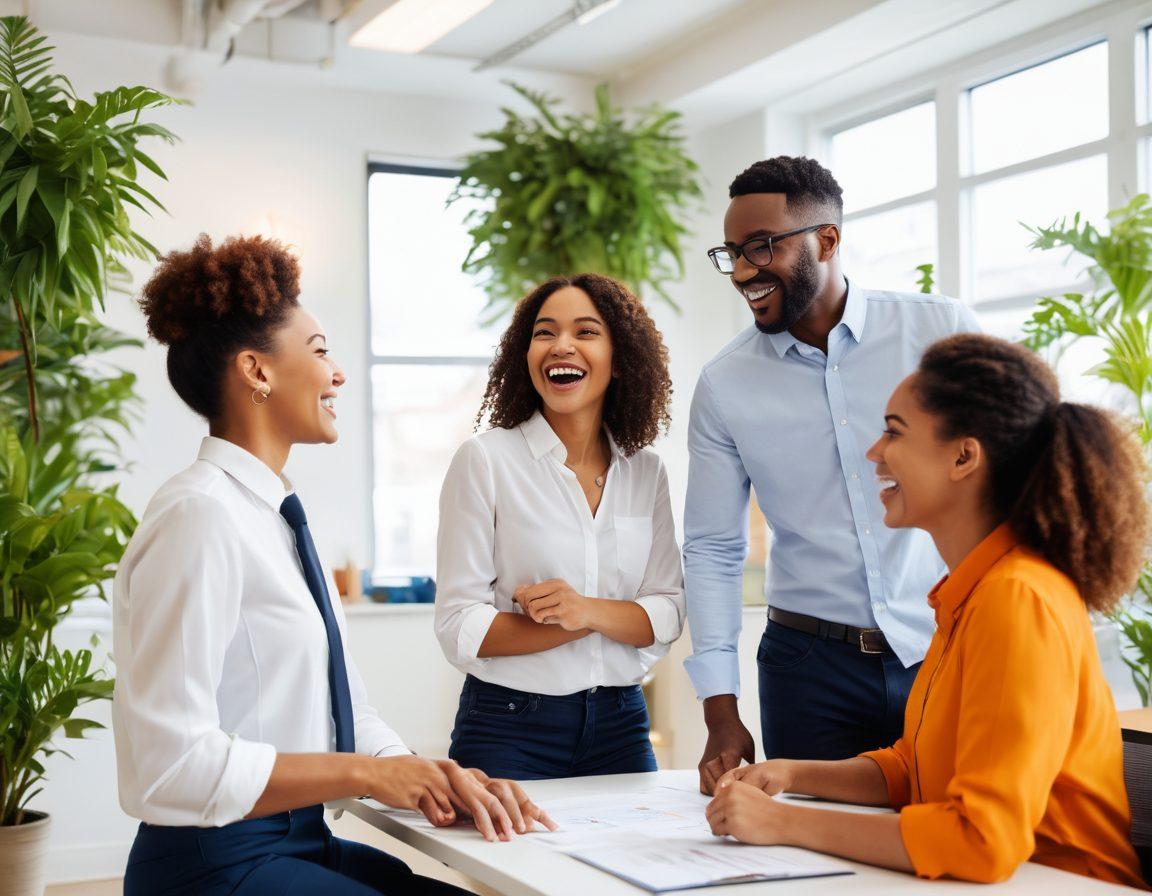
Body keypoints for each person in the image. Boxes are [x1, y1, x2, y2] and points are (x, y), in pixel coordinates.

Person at [113, 235, 554, 896]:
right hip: (212, 864)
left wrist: (426, 775)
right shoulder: (198, 515)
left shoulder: (275, 516)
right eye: (320, 351)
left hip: (299, 839)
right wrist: (367, 776)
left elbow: (344, 709)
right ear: (257, 372)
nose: (338, 374)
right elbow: (167, 767)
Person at [706, 333, 1148, 889]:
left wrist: (784, 823)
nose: (874, 452)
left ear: (963, 457)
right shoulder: (970, 592)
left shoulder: (1017, 598)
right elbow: (914, 768)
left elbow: (981, 840)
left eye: (894, 431)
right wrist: (789, 774)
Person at [685, 155, 980, 792]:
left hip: (940, 648)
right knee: (811, 841)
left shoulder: (940, 331)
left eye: (761, 246)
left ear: (827, 239)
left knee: (951, 830)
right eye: (732, 253)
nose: (743, 271)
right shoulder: (724, 384)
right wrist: (720, 710)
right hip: (806, 670)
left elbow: (1007, 479)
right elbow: (712, 547)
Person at [435, 273, 685, 780]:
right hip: (508, 726)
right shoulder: (485, 460)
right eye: (544, 333)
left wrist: (583, 610)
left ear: (621, 358)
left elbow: (667, 613)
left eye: (585, 332)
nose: (561, 346)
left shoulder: (645, 471)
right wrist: (604, 620)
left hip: (622, 724)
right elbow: (460, 625)